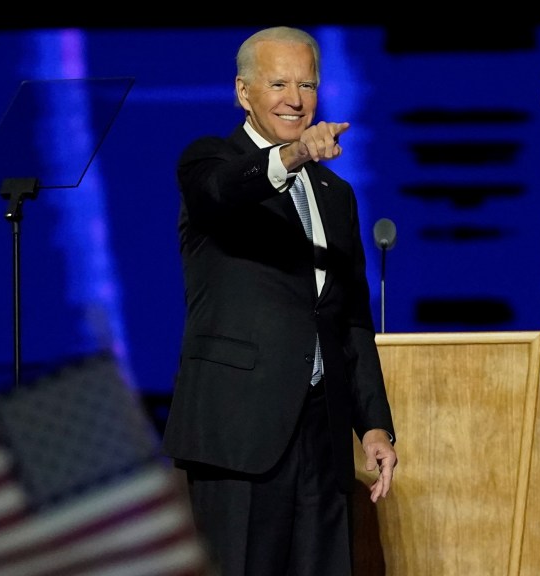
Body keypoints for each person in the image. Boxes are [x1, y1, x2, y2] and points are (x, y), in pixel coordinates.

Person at [161, 25, 398, 576]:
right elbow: (222, 193)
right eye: (279, 84)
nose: (296, 99)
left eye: (308, 85)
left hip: (324, 434)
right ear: (244, 92)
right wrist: (289, 157)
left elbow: (351, 320)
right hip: (237, 433)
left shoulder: (336, 194)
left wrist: (375, 426)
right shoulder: (209, 162)